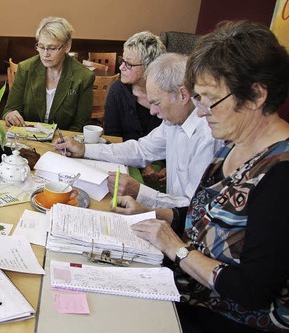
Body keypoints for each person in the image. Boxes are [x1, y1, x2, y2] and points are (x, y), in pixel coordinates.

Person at [114, 21, 289, 332]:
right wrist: (157, 216)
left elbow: (253, 292)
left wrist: (177, 249)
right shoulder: (234, 142)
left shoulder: (280, 174)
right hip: (188, 289)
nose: (202, 111)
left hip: (228, 318)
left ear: (256, 95)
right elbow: (203, 216)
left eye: (209, 99)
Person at [55, 53, 220, 209]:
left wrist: (140, 192)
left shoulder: (208, 136)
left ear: (183, 95)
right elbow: (141, 150)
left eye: (156, 103)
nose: (152, 111)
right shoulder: (174, 121)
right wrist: (84, 149)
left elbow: (193, 209)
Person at [3, 16, 93, 132]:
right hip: (27, 138)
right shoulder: (25, 69)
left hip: (62, 143)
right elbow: (10, 109)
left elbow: (81, 124)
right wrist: (9, 115)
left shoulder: (83, 77)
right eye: (41, 47)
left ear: (67, 46)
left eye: (52, 48)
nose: (45, 54)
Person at [104, 31, 167, 185]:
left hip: (163, 161)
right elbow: (113, 136)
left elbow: (177, 139)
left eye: (129, 64)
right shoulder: (118, 90)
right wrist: (144, 165)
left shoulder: (169, 93)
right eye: (122, 60)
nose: (121, 67)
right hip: (126, 157)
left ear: (149, 67)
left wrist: (170, 167)